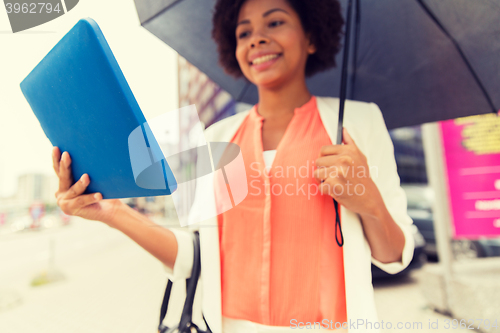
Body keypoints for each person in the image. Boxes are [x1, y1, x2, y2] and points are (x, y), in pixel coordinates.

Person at [52, 0, 414, 332]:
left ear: (312, 37)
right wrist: (113, 212)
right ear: (234, 49)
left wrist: (370, 202)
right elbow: (193, 256)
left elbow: (394, 257)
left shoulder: (360, 123)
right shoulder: (210, 138)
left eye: (275, 22)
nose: (257, 39)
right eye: (244, 32)